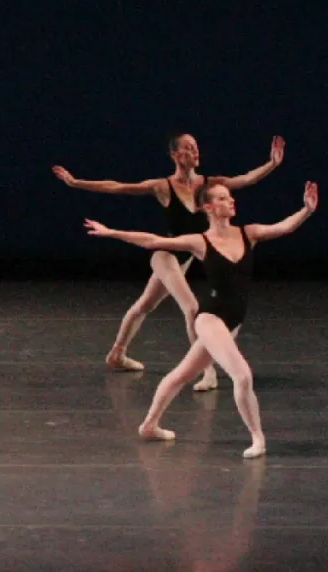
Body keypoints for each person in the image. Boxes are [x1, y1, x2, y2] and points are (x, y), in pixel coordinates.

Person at [84, 179, 318, 458]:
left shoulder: (249, 233)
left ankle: (149, 424)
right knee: (242, 376)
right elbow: (153, 241)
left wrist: (306, 209)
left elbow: (284, 227)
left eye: (230, 197)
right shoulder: (200, 241)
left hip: (233, 322)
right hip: (211, 319)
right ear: (208, 206)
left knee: (182, 374)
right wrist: (111, 232)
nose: (231, 201)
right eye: (222, 198)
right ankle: (258, 439)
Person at [53, 132, 285, 391]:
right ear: (175, 155)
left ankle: (117, 353)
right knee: (192, 308)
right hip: (165, 256)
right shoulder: (163, 186)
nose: (194, 152)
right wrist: (76, 183)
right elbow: (117, 186)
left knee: (144, 305)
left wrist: (272, 163)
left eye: (196, 147)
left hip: (183, 259)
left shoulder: (209, 185)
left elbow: (244, 180)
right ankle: (206, 370)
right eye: (187, 148)